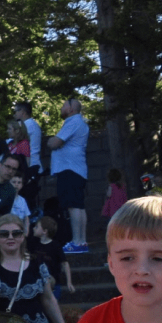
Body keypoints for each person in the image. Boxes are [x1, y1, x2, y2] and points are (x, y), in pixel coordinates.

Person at [48, 98, 90, 253]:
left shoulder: (73, 122)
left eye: (64, 104)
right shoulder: (78, 123)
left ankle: (77, 242)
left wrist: (52, 141)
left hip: (70, 169)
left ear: (72, 108)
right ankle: (81, 241)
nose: (61, 107)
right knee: (78, 206)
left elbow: (54, 143)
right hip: (76, 169)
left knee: (73, 206)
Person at [28, 216, 75, 297]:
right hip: (37, 283)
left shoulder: (55, 246)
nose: (34, 228)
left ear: (45, 231)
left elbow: (65, 263)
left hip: (54, 283)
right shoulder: (34, 243)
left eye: (37, 227)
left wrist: (69, 282)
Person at [13, 100, 43, 175]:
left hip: (31, 165)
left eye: (16, 111)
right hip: (31, 164)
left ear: (22, 111)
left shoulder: (28, 125)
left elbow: (15, 139)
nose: (14, 114)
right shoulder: (30, 124)